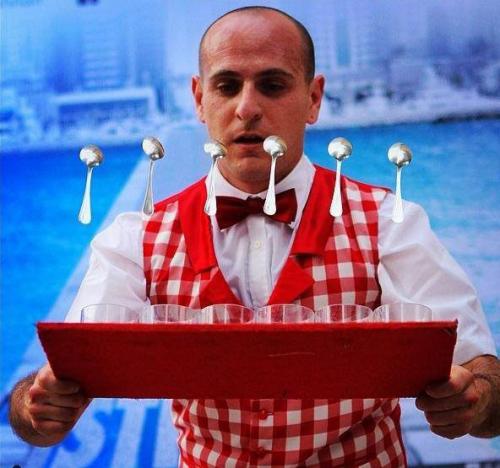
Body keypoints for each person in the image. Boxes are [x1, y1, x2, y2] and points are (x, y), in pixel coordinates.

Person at [9, 6, 500, 466]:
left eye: (272, 85)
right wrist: (37, 406)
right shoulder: (135, 238)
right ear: (200, 100)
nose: (247, 108)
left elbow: (488, 393)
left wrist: (474, 401)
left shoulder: (391, 222)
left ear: (313, 99)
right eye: (227, 86)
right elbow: (46, 403)